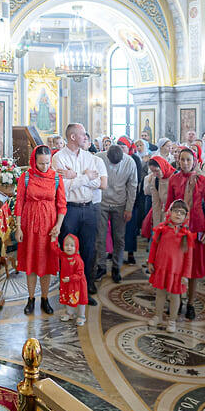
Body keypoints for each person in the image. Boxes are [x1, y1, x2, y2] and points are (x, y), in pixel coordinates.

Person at [52, 123, 108, 306]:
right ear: (73, 137)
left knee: (89, 250)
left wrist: (74, 175)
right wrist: (84, 176)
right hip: (70, 210)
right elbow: (64, 187)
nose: (86, 137)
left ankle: (86, 288)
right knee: (67, 250)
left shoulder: (89, 157)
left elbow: (99, 183)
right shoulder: (58, 158)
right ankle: (66, 290)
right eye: (83, 134)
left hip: (89, 208)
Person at [15, 145, 66, 315]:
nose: (44, 167)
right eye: (41, 163)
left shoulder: (57, 178)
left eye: (47, 163)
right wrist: (18, 227)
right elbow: (19, 203)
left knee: (47, 263)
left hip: (49, 227)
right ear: (34, 161)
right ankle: (30, 299)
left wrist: (58, 226)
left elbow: (62, 205)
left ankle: (45, 298)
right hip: (29, 225)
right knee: (31, 263)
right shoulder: (26, 177)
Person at [166, 148, 205, 319]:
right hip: (177, 228)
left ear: (194, 161)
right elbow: (169, 206)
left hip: (196, 227)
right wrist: (167, 227)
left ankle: (191, 303)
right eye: (182, 160)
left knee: (194, 269)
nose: (185, 163)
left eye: (188, 160)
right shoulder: (174, 179)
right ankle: (176, 300)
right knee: (176, 267)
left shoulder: (202, 180)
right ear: (178, 161)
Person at [147, 200, 195, 332]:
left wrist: (186, 275)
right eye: (176, 211)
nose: (178, 215)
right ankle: (157, 316)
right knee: (160, 294)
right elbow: (154, 246)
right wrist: (151, 262)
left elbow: (189, 258)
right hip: (161, 268)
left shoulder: (186, 235)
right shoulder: (162, 229)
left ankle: (172, 320)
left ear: (186, 216)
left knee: (175, 296)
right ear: (170, 212)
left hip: (177, 271)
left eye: (182, 213)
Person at [95, 144, 137, 283]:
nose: (113, 166)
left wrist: (129, 208)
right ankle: (100, 266)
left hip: (120, 203)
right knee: (100, 237)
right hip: (102, 202)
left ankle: (116, 267)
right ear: (106, 154)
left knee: (119, 238)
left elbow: (132, 186)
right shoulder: (98, 158)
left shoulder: (130, 162)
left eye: (116, 163)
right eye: (111, 162)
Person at [118, 136, 146, 265]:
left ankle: (130, 254)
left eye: (123, 147)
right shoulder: (116, 157)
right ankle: (114, 252)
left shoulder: (135, 159)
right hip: (117, 198)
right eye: (119, 147)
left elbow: (137, 182)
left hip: (132, 198)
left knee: (130, 228)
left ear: (128, 147)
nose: (121, 149)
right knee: (116, 227)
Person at [53, 234, 89, 326]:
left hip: (78, 284)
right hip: (68, 283)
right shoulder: (63, 256)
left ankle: (81, 316)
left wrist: (70, 278)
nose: (69, 247)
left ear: (76, 247)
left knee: (80, 299)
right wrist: (53, 239)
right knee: (68, 297)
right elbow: (55, 250)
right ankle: (70, 313)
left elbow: (80, 274)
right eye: (66, 245)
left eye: (72, 245)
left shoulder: (78, 260)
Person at [143, 156, 175, 235]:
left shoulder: (175, 177)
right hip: (163, 214)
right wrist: (156, 227)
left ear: (162, 166)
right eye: (152, 171)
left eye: (156, 171)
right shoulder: (156, 180)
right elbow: (156, 204)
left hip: (176, 216)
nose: (155, 174)